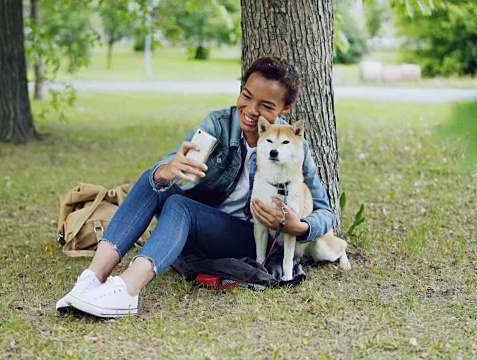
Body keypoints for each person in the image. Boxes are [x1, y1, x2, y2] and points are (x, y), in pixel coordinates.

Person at [56, 56, 336, 318]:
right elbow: (176, 160)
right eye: (247, 96)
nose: (251, 111)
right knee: (153, 178)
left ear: (285, 108)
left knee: (180, 206)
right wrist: (168, 170)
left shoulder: (292, 146)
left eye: (265, 106)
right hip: (200, 225)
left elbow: (325, 211)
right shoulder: (219, 124)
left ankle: (128, 290)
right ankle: (92, 279)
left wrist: (299, 228)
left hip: (248, 237)